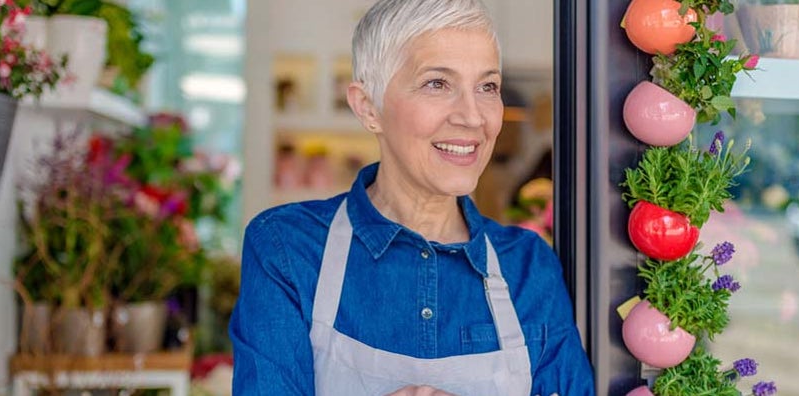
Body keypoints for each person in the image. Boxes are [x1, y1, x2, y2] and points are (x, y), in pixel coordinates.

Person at [229, 0, 595, 394]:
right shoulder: (287, 248)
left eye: (487, 86)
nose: (473, 117)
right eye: (437, 83)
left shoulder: (528, 267)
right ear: (368, 107)